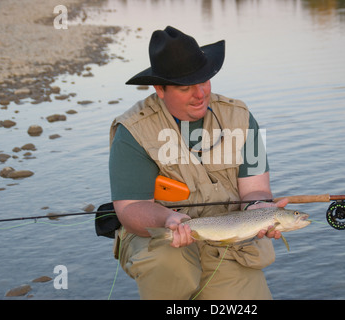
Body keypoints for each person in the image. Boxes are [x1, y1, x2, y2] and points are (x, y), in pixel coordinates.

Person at [108, 26, 289, 300]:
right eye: (185, 87)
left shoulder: (240, 117)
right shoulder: (132, 131)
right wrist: (168, 220)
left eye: (204, 80)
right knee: (170, 264)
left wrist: (259, 207)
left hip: (230, 242)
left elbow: (255, 190)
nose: (200, 93)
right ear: (160, 88)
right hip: (161, 242)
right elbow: (130, 208)